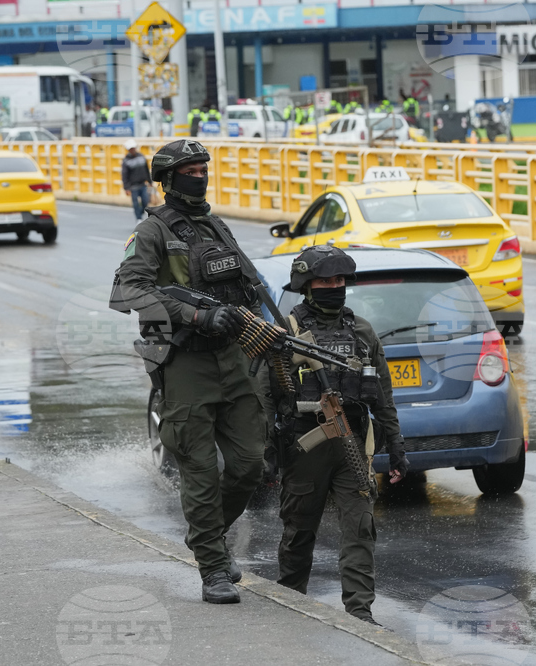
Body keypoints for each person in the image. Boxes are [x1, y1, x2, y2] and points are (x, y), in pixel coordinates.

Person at [115, 139, 267, 604]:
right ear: (167, 179)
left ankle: (207, 536)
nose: (199, 175)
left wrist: (258, 320)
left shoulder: (216, 226)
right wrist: (197, 316)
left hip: (233, 359)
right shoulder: (151, 232)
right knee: (200, 473)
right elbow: (127, 292)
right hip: (185, 366)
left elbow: (249, 286)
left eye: (204, 167)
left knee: (248, 465)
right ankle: (213, 569)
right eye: (190, 169)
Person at [272, 245, 409, 626]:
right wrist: (265, 449)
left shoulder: (362, 331)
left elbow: (383, 394)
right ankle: (289, 600)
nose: (334, 286)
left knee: (361, 529)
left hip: (351, 441)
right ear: (307, 285)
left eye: (339, 280)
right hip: (305, 446)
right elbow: (265, 393)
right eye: (325, 280)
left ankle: (359, 613)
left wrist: (396, 447)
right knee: (299, 531)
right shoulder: (287, 331)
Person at [121, 139, 152, 222]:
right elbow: (125, 175)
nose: (132, 150)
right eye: (131, 149)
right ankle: (138, 218)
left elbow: (146, 170)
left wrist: (150, 181)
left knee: (145, 201)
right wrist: (126, 188)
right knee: (135, 203)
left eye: (133, 148)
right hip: (133, 186)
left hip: (142, 184)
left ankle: (141, 213)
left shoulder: (141, 157)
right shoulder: (126, 161)